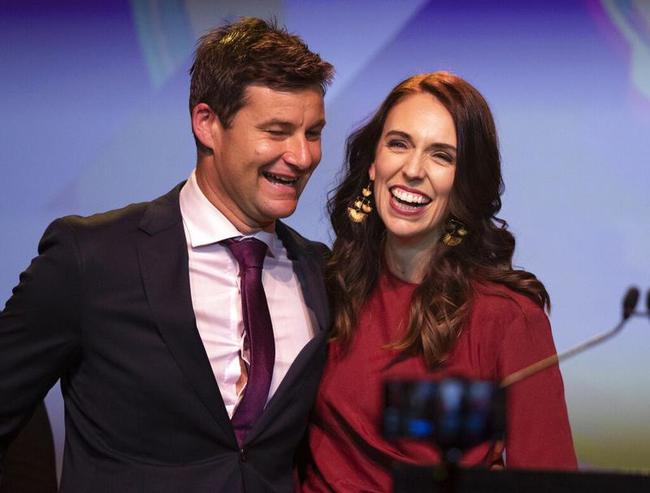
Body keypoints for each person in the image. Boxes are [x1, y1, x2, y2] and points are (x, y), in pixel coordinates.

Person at [0, 17, 333, 492]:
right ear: (207, 124)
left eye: (313, 133)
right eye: (277, 131)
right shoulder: (90, 259)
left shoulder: (322, 273)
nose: (302, 156)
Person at [299, 72, 577, 492]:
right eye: (399, 144)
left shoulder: (507, 319)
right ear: (373, 163)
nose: (412, 170)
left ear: (465, 182)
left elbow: (549, 481)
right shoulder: (323, 286)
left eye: (441, 156)